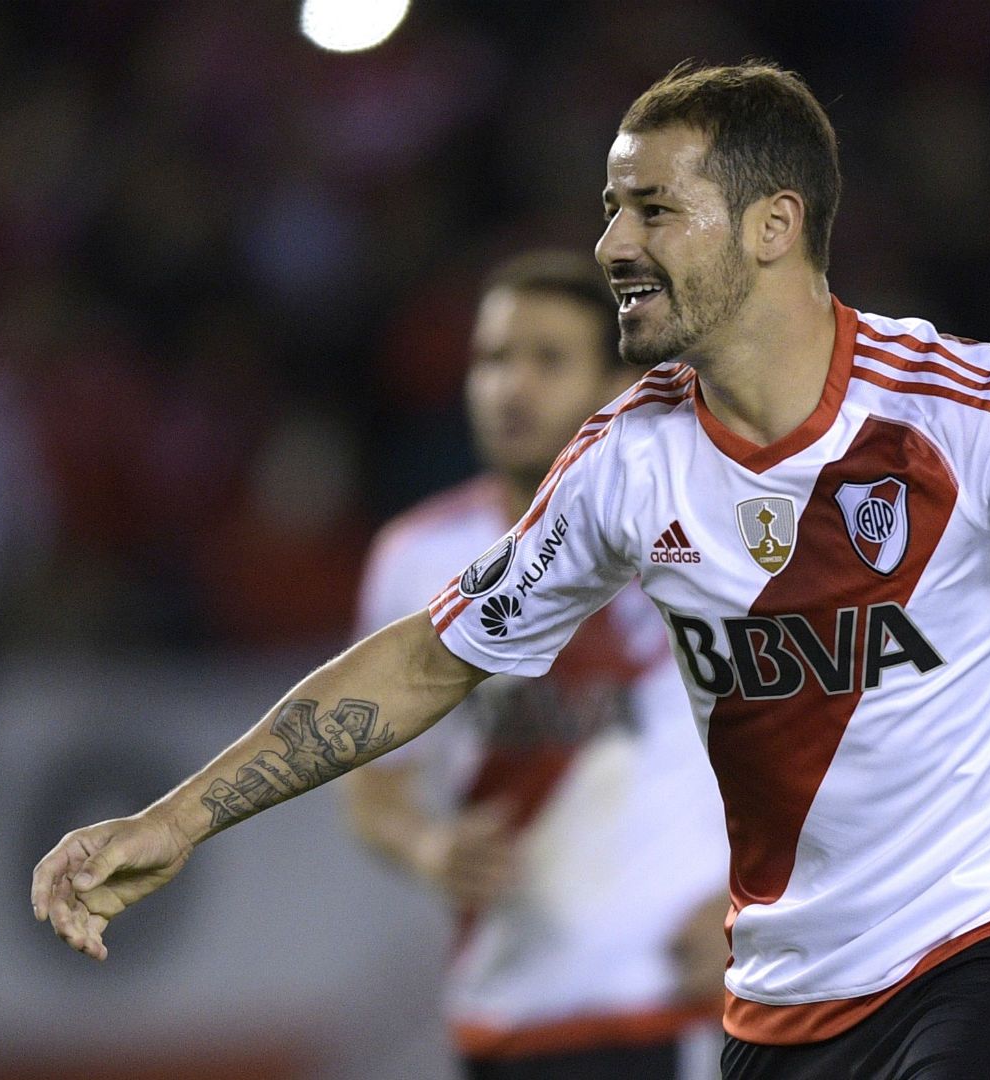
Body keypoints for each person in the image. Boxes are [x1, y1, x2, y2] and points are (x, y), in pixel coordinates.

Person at [32, 62, 990, 1080]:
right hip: (780, 1015)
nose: (611, 242)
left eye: (649, 208)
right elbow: (432, 657)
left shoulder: (969, 416)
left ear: (773, 224)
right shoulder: (627, 463)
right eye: (610, 207)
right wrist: (180, 816)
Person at [340, 251, 730, 1080]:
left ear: (615, 387)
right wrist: (429, 846)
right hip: (508, 1012)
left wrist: (757, 912)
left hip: (680, 1000)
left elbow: (831, 747)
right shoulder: (415, 559)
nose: (511, 386)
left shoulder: (709, 536)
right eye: (492, 359)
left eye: (548, 360)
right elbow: (374, 788)